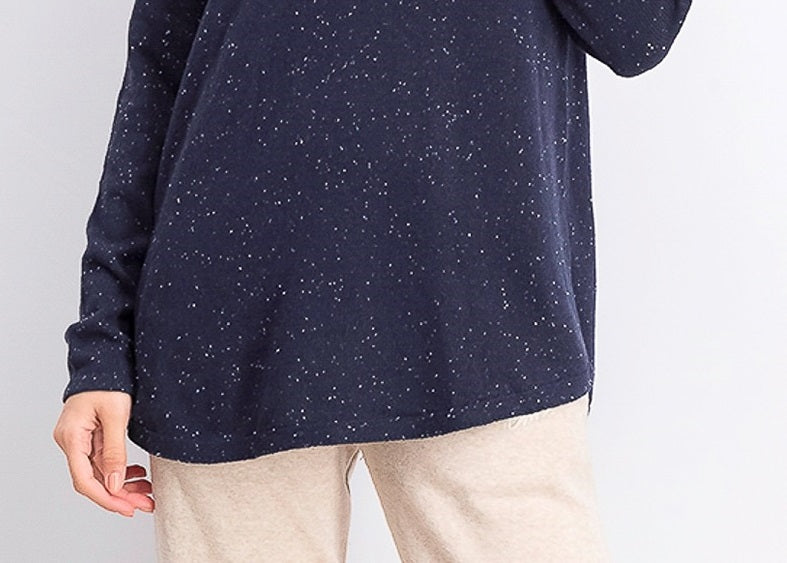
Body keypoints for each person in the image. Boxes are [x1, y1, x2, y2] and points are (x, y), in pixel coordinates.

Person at [53, 1, 692, 561]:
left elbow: (636, 31)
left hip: (485, 326)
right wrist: (102, 347)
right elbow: (158, 84)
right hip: (231, 322)